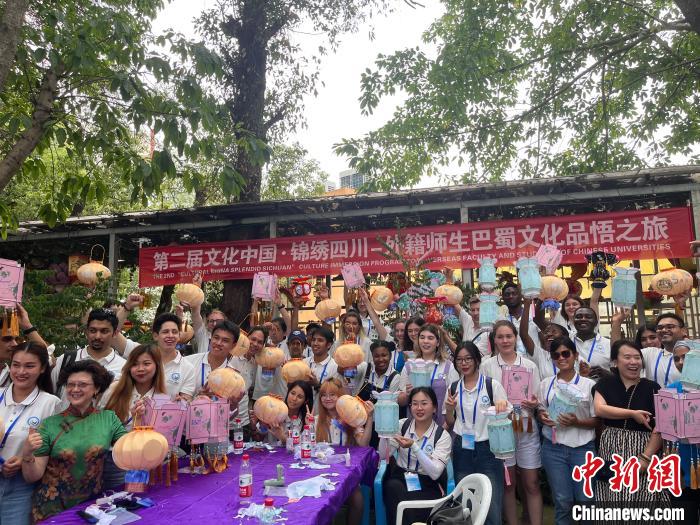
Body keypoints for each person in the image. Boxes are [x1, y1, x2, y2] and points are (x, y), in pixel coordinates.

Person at [22, 361, 127, 522]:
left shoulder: (109, 419)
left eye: (82, 384)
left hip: (92, 509)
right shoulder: (49, 424)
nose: (75, 389)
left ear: (96, 388)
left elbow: (130, 450)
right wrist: (27, 453)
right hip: (52, 511)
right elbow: (32, 476)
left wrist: (139, 419)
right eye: (71, 385)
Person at [592, 339, 668, 511]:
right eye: (627, 357)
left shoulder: (653, 388)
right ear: (615, 362)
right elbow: (600, 409)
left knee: (644, 501)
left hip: (644, 448)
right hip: (611, 448)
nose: (633, 362)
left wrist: (646, 457)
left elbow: (661, 426)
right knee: (612, 499)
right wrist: (632, 414)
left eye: (637, 357)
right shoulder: (605, 384)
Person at [481, 320, 542, 525]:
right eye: (500, 337)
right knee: (509, 484)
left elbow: (537, 398)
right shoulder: (487, 366)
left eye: (509, 336)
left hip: (525, 425)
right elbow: (483, 399)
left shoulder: (529, 365)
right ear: (494, 340)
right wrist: (495, 407)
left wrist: (533, 403)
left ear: (516, 338)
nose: (505, 340)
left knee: (532, 483)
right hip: (501, 431)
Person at [444, 342, 509, 525]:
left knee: (491, 502)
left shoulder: (491, 385)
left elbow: (505, 415)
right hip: (462, 448)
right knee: (466, 502)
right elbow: (450, 421)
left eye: (468, 359)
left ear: (477, 360)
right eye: (459, 360)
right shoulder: (454, 387)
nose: (464, 363)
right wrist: (449, 409)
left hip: (488, 448)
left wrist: (502, 406)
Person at [535, 338, 598, 525]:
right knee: (562, 501)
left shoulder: (589, 385)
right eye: (556, 355)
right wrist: (542, 417)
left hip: (583, 448)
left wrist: (576, 422)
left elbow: (597, 420)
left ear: (575, 355)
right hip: (553, 448)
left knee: (586, 500)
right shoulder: (546, 384)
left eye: (565, 353)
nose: (561, 358)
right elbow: (540, 410)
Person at [0, 343, 60, 525]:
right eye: (16, 365)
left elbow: (52, 449)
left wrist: (22, 459)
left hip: (19, 484)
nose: (21, 371)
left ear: (42, 368)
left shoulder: (51, 404)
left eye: (29, 366)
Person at [380, 387, 453, 525]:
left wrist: (414, 446)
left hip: (427, 483)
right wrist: (384, 433)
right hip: (401, 478)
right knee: (392, 487)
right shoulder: (402, 425)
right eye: (414, 403)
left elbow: (435, 474)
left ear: (434, 408)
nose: (419, 408)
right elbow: (384, 455)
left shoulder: (442, 436)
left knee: (411, 501)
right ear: (410, 407)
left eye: (424, 403)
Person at [315, 377, 372, 525]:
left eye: (332, 394)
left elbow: (363, 444)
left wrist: (369, 418)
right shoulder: (315, 420)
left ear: (341, 396)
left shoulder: (352, 419)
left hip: (346, 472)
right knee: (323, 501)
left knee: (357, 499)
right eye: (323, 395)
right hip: (321, 472)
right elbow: (306, 448)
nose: (327, 398)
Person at [51, 309, 127, 410]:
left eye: (104, 331)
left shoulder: (124, 367)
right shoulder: (66, 360)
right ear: (86, 331)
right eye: (93, 331)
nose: (97, 336)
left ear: (115, 333)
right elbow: (50, 394)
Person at [398, 324, 459, 426]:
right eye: (422, 337)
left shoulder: (448, 367)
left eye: (430, 338)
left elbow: (454, 401)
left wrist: (441, 431)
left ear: (438, 342)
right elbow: (401, 401)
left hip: (442, 425)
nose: (425, 341)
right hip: (415, 426)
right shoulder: (409, 365)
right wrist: (407, 394)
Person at [254, 380, 314, 445]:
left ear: (306, 401)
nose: (294, 399)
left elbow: (303, 447)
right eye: (292, 393)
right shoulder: (274, 410)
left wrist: (282, 437)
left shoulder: (306, 420)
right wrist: (266, 406)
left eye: (299, 397)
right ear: (288, 392)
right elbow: (258, 438)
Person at [640, 313, 684, 387]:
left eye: (670, 327)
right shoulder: (650, 353)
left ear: (683, 331)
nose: (664, 330)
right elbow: (622, 353)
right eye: (660, 328)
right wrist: (618, 322)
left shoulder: (694, 354)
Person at [305, 326, 338, 412]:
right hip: (303, 413)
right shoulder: (304, 363)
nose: (315, 343)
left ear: (329, 345)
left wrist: (317, 384)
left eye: (320, 340)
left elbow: (334, 395)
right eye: (313, 340)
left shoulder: (335, 367)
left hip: (323, 414)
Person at [573, 307, 611, 378]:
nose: (583, 319)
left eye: (588, 317)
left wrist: (606, 374)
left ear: (596, 322)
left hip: (600, 384)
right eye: (578, 317)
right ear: (573, 321)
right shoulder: (566, 342)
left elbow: (618, 373)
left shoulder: (608, 344)